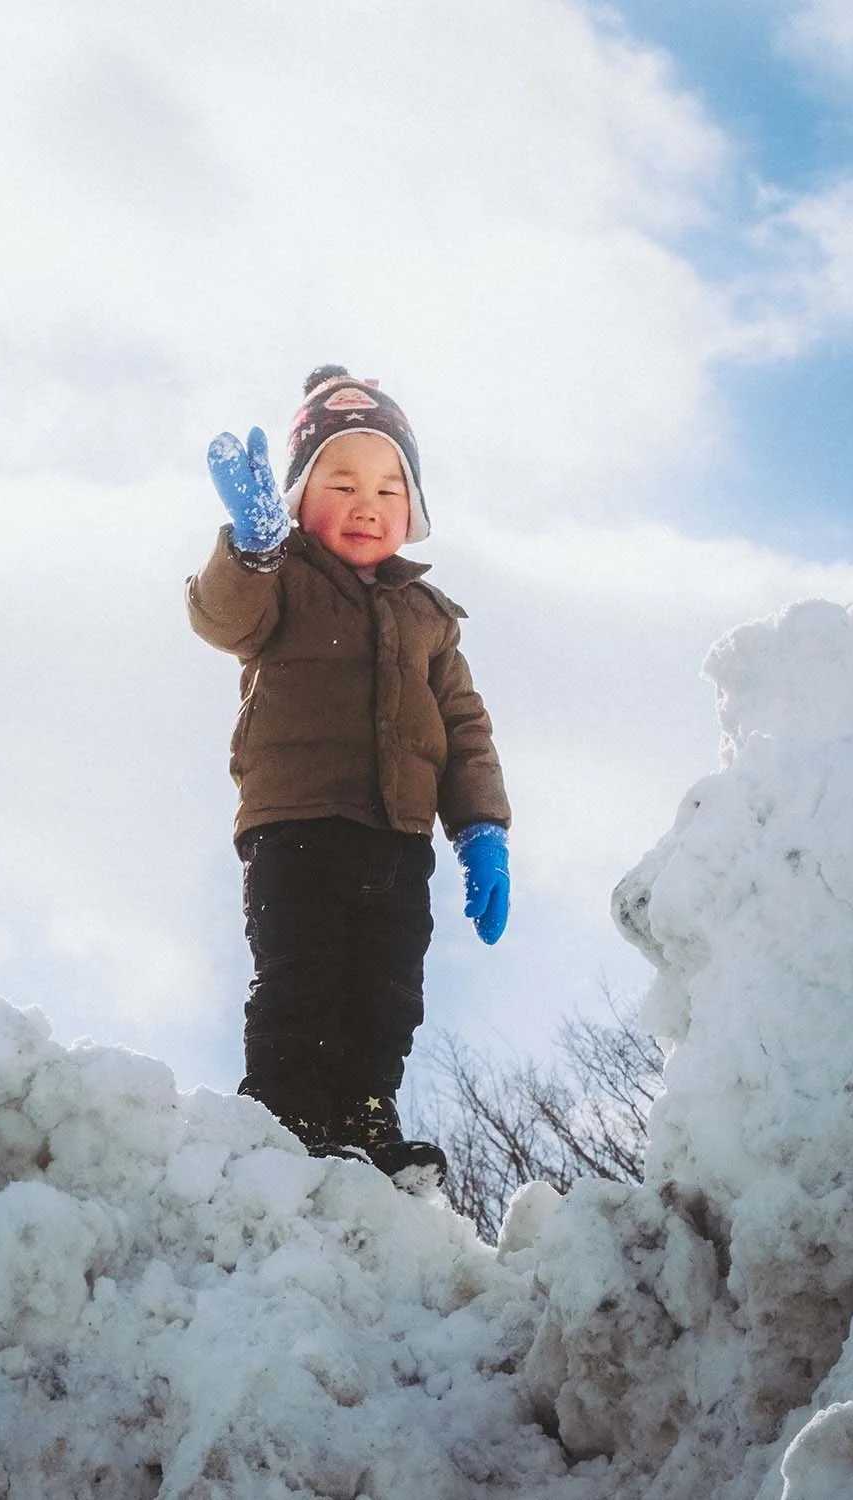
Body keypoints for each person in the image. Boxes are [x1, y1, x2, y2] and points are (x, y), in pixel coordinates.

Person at [187, 364, 510, 1187]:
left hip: (397, 837)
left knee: (388, 984)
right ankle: (287, 1112)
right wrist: (253, 547)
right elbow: (220, 618)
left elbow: (465, 730)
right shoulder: (283, 579)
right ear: (299, 496)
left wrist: (481, 831)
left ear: (414, 508)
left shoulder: (429, 617)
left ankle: (369, 1111)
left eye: (387, 487)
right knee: (301, 971)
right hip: (296, 823)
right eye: (341, 480)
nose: (367, 503)